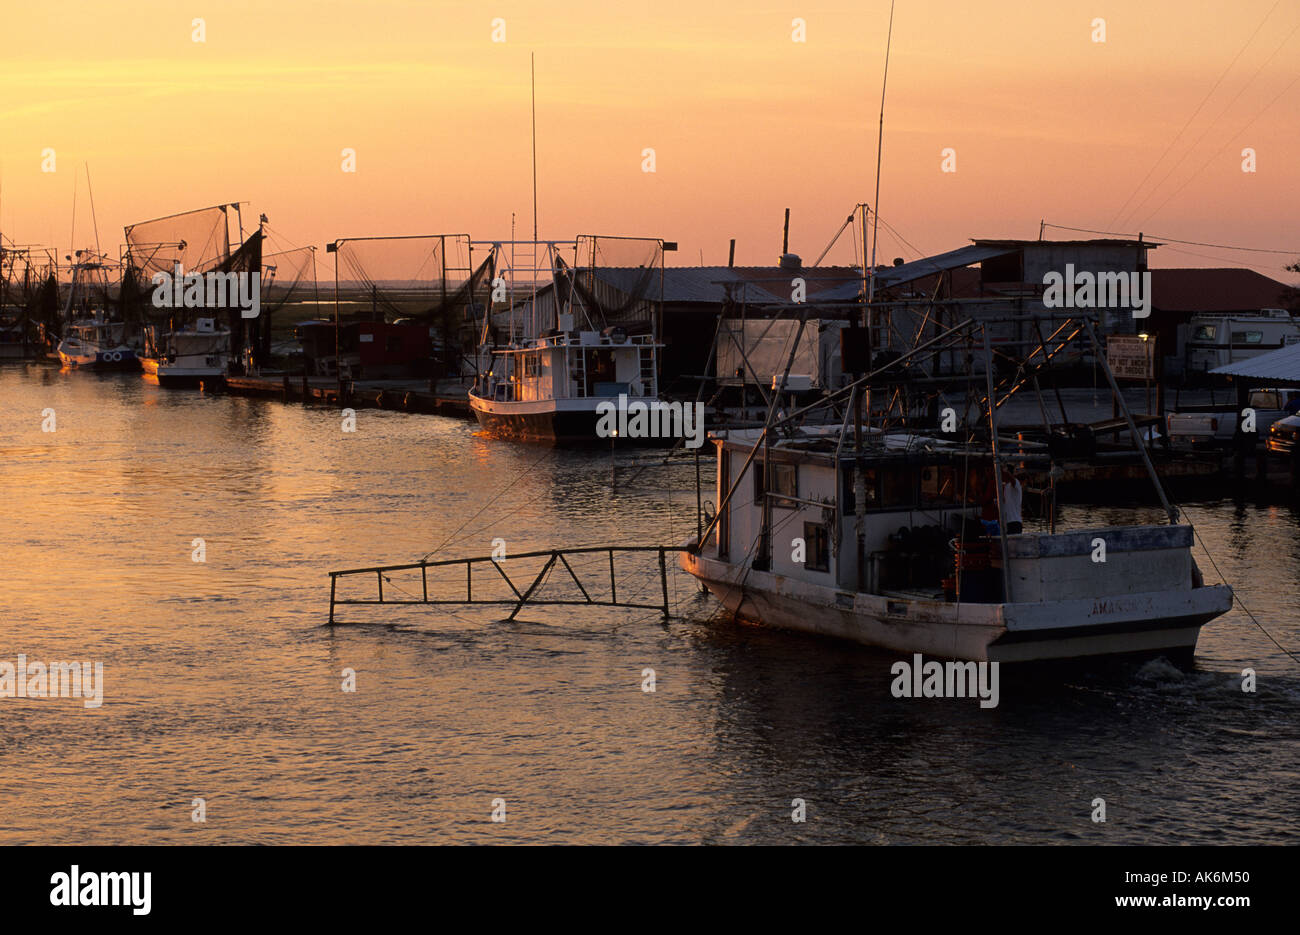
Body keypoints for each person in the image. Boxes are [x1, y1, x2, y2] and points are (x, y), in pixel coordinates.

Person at [1001, 466, 1023, 535]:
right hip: (1006, 523)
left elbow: (1011, 479)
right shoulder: (1004, 486)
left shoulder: (1016, 483)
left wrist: (1003, 470)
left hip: (1015, 522)